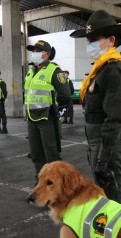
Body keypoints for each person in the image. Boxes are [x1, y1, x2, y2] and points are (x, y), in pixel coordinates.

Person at [70, 9, 121, 202]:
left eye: (95, 39)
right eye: (88, 40)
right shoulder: (100, 69)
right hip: (98, 139)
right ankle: (106, 229)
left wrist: (105, 156)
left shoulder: (114, 68)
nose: (90, 44)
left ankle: (115, 231)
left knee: (111, 196)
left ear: (111, 40)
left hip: (110, 141)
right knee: (102, 193)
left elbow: (114, 117)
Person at [24, 40, 71, 183]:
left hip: (47, 118)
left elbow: (65, 95)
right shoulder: (31, 72)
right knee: (36, 154)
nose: (35, 54)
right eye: (34, 51)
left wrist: (58, 109)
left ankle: (57, 186)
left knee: (51, 154)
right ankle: (41, 183)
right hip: (32, 118)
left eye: (38, 51)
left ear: (48, 54)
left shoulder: (54, 71)